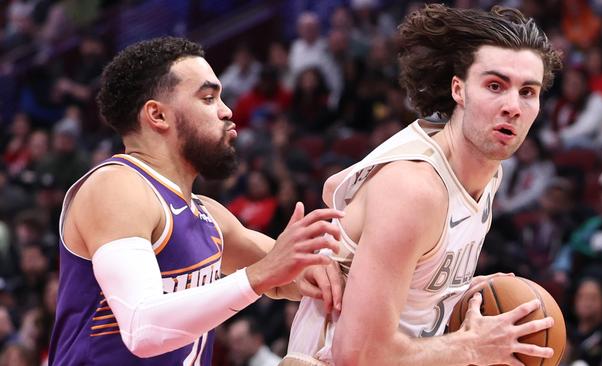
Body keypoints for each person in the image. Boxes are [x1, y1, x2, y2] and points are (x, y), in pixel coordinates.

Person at [284, 4, 562, 365]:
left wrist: (455, 289)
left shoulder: (487, 169)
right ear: (458, 90)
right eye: (495, 85)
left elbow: (336, 188)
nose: (512, 105)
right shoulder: (414, 188)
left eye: (528, 92)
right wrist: (472, 347)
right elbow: (357, 354)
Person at [48, 37, 346, 365]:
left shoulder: (208, 215)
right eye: (208, 98)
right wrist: (260, 275)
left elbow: (284, 278)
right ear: (157, 115)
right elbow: (142, 327)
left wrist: (334, 273)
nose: (226, 111)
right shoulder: (116, 186)